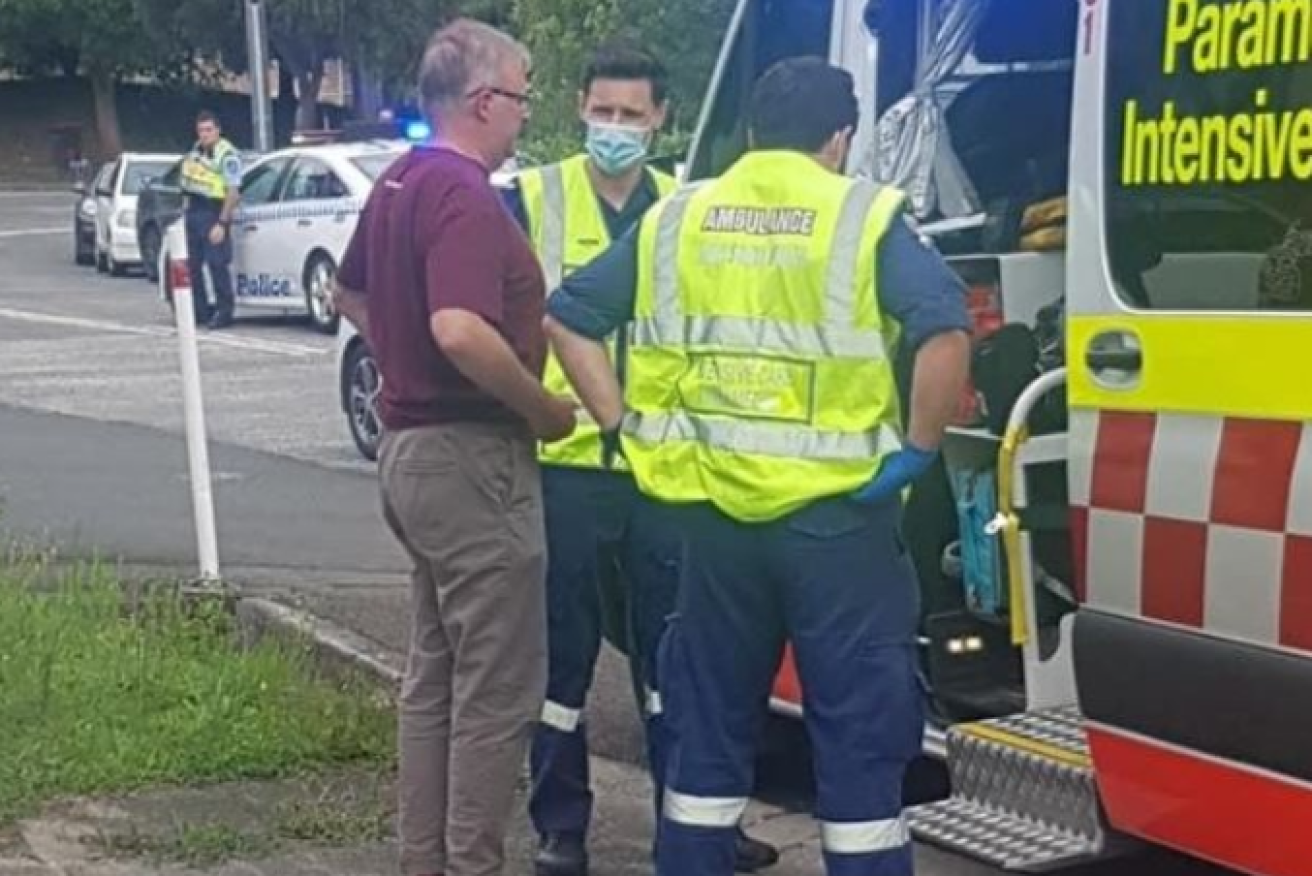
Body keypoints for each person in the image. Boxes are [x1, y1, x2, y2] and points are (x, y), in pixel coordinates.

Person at [544, 57, 972, 876]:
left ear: (748, 133)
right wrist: (915, 451)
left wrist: (627, 426)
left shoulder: (681, 216)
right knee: (856, 745)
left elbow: (569, 318)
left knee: (705, 738)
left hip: (711, 523)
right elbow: (943, 332)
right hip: (839, 527)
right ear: (838, 139)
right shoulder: (862, 216)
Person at [502, 42, 778, 876]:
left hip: (666, 470)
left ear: (663, 120)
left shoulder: (692, 211)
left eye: (632, 114)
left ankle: (695, 828)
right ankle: (562, 830)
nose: (614, 128)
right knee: (562, 664)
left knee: (681, 662)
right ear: (580, 107)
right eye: (603, 111)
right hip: (570, 467)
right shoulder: (528, 199)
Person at [331, 19, 576, 876]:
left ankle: (423, 861)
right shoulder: (466, 196)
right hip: (473, 459)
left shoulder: (399, 180)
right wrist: (543, 407)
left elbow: (348, 287)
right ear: (484, 101)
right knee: (496, 689)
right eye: (523, 93)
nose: (525, 112)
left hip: (409, 455)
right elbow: (461, 328)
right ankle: (473, 863)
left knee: (434, 674)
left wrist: (399, 360)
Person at [178, 110, 242, 329]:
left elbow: (233, 193)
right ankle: (200, 311)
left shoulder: (227, 155)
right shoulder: (195, 152)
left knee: (217, 264)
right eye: (200, 130)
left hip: (214, 212)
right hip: (194, 211)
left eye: (208, 130)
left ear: (218, 131)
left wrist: (222, 223)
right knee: (192, 266)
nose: (204, 135)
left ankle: (224, 312)